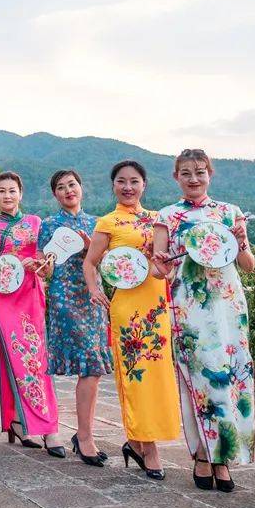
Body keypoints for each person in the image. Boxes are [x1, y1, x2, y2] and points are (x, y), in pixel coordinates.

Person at [153, 149, 255, 492]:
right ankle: (201, 454)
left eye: (199, 172)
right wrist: (162, 263)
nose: (193, 178)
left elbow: (249, 265)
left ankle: (223, 456)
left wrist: (241, 244)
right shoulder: (167, 216)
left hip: (227, 304)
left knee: (229, 376)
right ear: (176, 177)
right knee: (198, 379)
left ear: (210, 173)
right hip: (189, 307)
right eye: (186, 173)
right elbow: (159, 270)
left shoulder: (230, 213)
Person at [82, 160, 180, 480]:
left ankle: (137, 443)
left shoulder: (158, 219)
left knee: (158, 377)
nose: (128, 187)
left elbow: (170, 261)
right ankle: (148, 447)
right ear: (113, 185)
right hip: (127, 309)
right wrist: (95, 289)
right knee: (135, 378)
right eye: (121, 181)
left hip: (156, 304)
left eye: (134, 181)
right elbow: (90, 263)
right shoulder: (107, 222)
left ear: (144, 185)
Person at [0, 172, 63, 456]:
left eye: (12, 190)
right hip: (7, 299)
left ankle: (45, 426)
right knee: (17, 359)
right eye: (2, 191)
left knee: (38, 360)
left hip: (32, 295)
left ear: (21, 193)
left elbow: (49, 266)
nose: (7, 196)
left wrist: (42, 266)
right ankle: (22, 423)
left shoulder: (36, 223)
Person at [38, 170, 111, 466]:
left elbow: (110, 264)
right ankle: (56, 430)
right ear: (54, 194)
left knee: (93, 367)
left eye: (72, 185)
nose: (68, 190)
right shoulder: (49, 225)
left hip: (93, 299)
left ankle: (84, 435)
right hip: (64, 300)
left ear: (82, 188)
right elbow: (47, 266)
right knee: (76, 364)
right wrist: (43, 270)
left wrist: (90, 249)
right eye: (60, 187)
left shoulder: (98, 224)